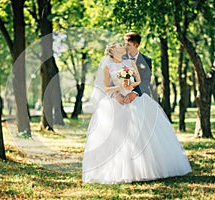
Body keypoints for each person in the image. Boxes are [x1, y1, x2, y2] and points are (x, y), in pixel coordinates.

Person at [82, 42, 192, 184]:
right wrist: (118, 91)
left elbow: (138, 81)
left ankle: (145, 168)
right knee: (118, 135)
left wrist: (130, 86)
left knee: (141, 133)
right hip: (116, 101)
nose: (123, 46)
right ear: (113, 50)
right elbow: (106, 88)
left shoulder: (130, 62)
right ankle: (118, 170)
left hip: (135, 100)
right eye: (120, 45)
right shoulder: (107, 66)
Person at [122, 32, 158, 103]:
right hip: (123, 95)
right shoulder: (121, 58)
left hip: (141, 96)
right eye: (125, 44)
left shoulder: (147, 60)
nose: (125, 47)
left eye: (128, 45)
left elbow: (146, 80)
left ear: (136, 45)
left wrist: (135, 93)